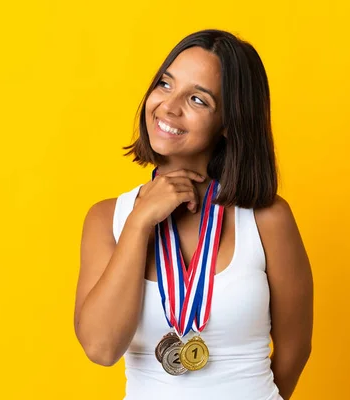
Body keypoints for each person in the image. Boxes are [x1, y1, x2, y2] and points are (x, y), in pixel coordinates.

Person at [74, 29, 313, 400]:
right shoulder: (108, 219)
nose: (170, 106)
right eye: (165, 84)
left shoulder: (269, 219)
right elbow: (101, 348)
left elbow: (295, 350)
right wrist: (139, 224)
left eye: (198, 99)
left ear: (230, 124)